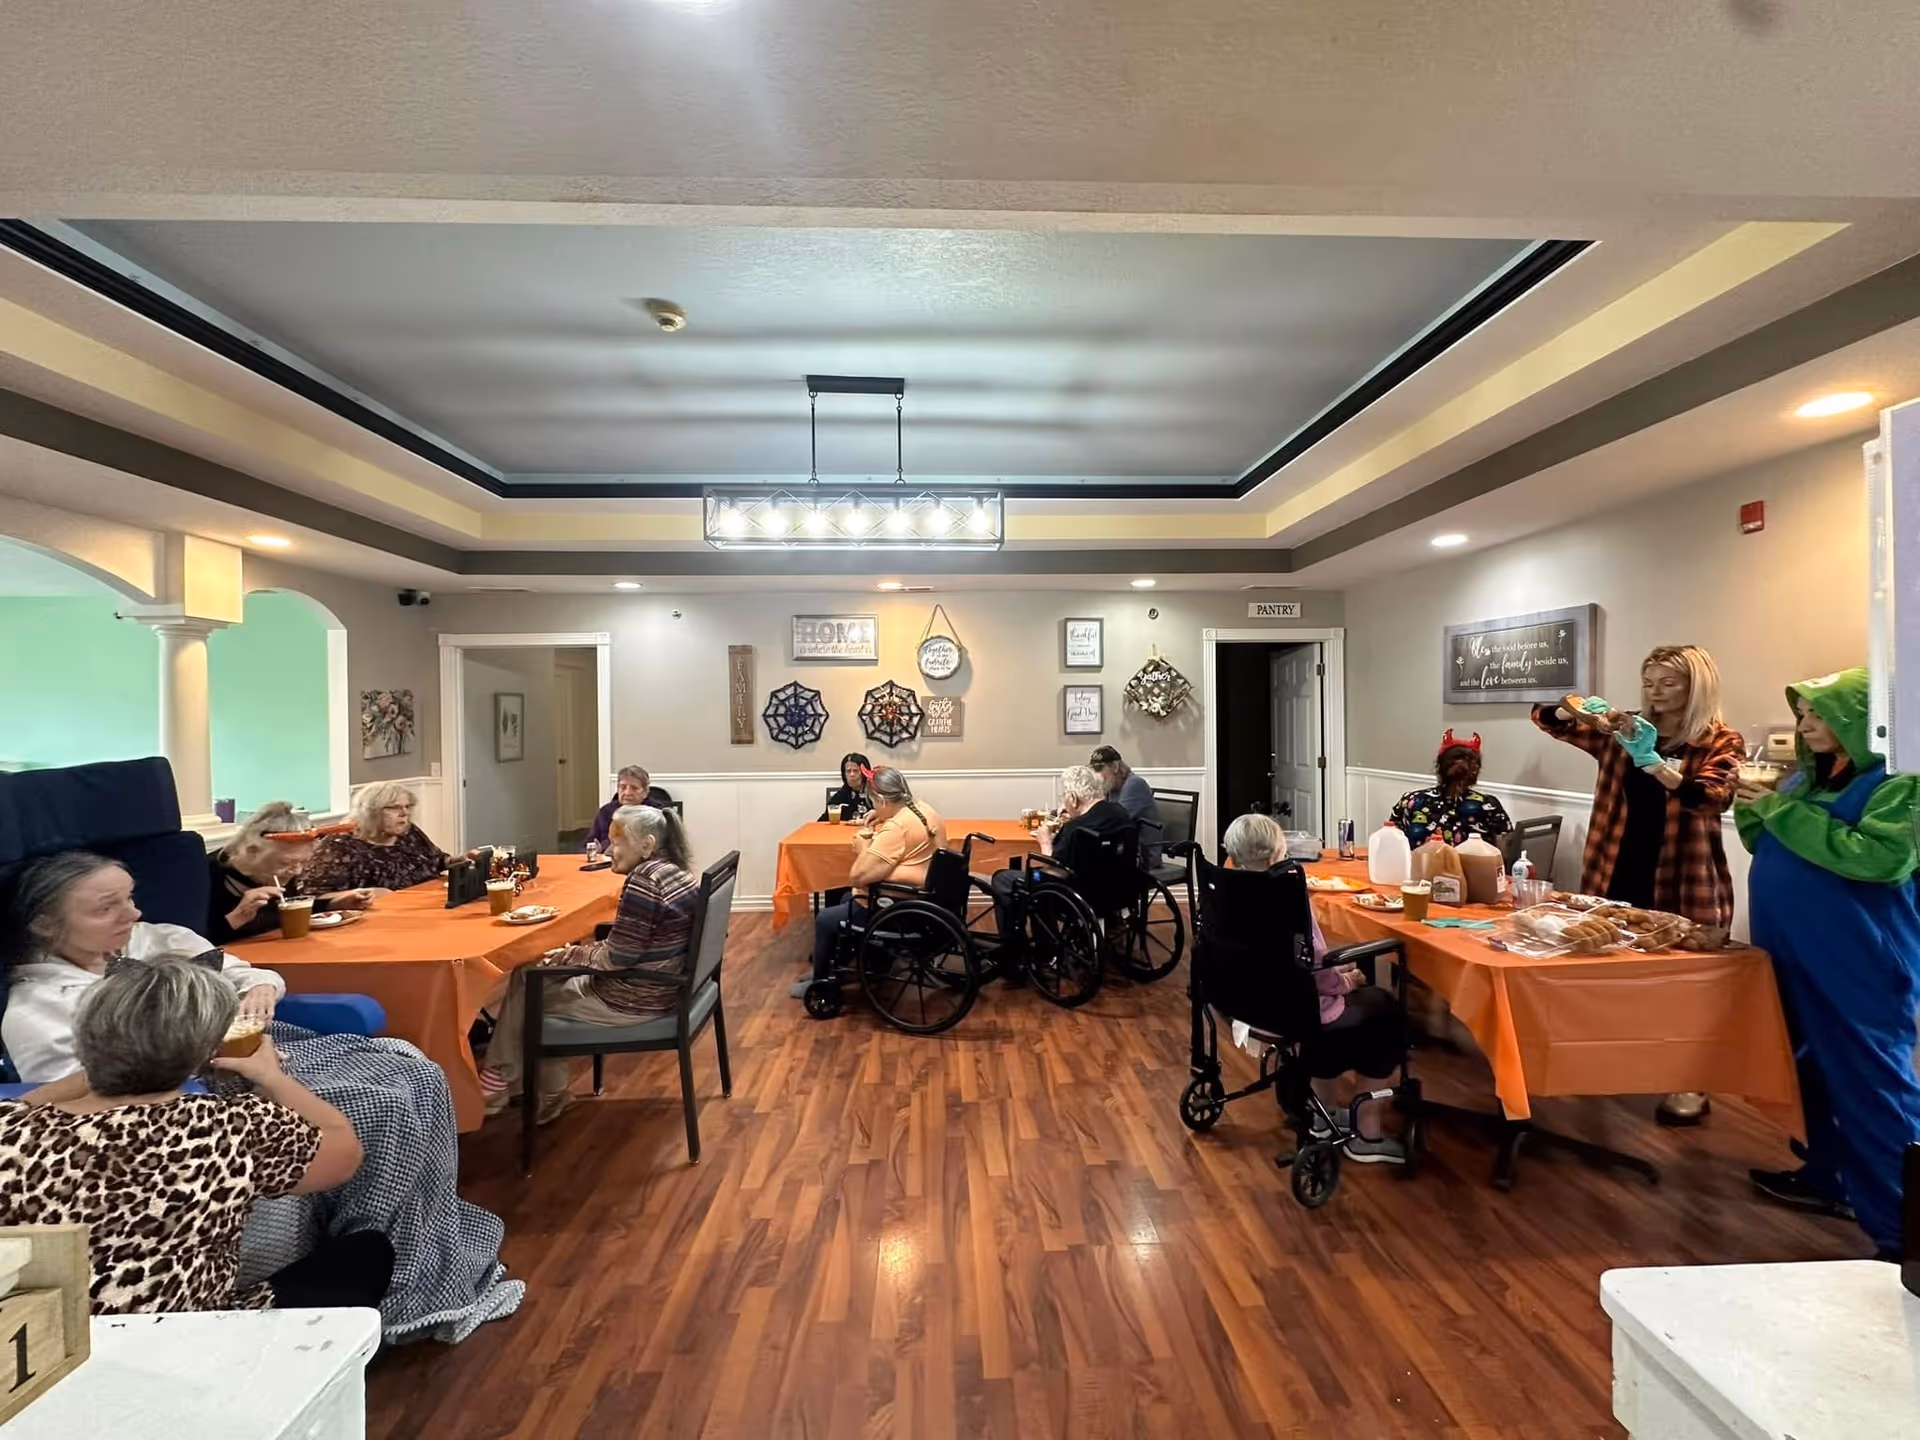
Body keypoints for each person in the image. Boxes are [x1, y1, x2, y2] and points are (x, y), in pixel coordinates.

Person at [1, 851, 524, 1344]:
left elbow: (241, 969)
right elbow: (95, 1086)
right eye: (106, 908)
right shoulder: (40, 1006)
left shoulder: (150, 940)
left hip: (241, 1050)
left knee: (414, 1068)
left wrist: (259, 989)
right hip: (192, 1081)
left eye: (130, 898)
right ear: (44, 925)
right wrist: (219, 1064)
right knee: (383, 1104)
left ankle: (421, 1238)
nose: (132, 914)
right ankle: (400, 1272)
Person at [0, 956, 392, 1314]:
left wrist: (110, 1063)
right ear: (206, 1051)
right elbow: (344, 1153)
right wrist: (271, 1077)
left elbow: (22, 1106)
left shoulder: (11, 1128)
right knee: (366, 1253)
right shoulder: (231, 1126)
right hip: (188, 1334)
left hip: (44, 1340)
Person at [1736, 667, 1920, 1258]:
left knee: (1873, 1087)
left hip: (1858, 961)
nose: (1806, 725)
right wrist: (1756, 808)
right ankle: (1828, 1178)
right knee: (1808, 1073)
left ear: (1863, 719)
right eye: (1803, 715)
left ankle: (1906, 1232)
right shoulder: (1810, 778)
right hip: (1793, 954)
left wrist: (1781, 812)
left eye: (1820, 714)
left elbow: (1881, 860)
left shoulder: (1900, 783)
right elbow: (1767, 841)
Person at [1533, 644, 1743, 1127]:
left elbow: (1710, 797)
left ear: (1696, 687)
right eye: (1649, 682)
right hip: (1617, 862)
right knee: (1612, 967)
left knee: (1687, 983)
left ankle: (1689, 1081)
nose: (1656, 692)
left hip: (1684, 870)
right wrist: (1577, 710)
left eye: (1668, 683)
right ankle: (1614, 1057)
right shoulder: (1623, 727)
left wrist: (1654, 763)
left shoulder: (1719, 740)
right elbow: (1546, 719)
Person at [481, 805, 700, 1123]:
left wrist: (567, 955)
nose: (609, 850)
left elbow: (617, 959)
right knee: (529, 975)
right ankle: (518, 1085)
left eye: (618, 841)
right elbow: (627, 946)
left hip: (634, 998)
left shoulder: (644, 882)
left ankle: (504, 1084)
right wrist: (571, 954)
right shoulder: (674, 872)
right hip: (660, 984)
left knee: (528, 990)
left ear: (647, 844)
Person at [1223, 813, 1406, 1161]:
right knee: (1384, 1012)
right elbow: (1318, 972)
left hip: (1248, 1004)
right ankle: (1367, 1132)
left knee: (1334, 1011)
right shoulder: (1287, 895)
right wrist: (1346, 980)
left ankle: (1325, 1114)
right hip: (1295, 1010)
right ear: (1276, 854)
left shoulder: (1226, 891)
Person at [796, 767, 947, 1000]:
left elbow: (858, 876)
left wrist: (863, 847)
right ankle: (845, 967)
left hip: (900, 909)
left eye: (874, 802)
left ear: (883, 801)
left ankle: (820, 981)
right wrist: (886, 815)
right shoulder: (924, 810)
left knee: (825, 918)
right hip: (926, 898)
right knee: (847, 899)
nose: (873, 807)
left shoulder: (897, 828)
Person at [990, 764, 1136, 943]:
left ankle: (1018, 945)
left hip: (1076, 894)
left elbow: (1053, 871)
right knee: (1035, 878)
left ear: (1073, 798)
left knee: (1005, 878)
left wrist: (1045, 842)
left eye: (1064, 797)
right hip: (1117, 891)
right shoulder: (1119, 812)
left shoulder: (1076, 828)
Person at [206, 800, 382, 947]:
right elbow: (194, 944)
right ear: (252, 852)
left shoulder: (279, 872)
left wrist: (333, 903)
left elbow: (283, 911)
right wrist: (237, 917)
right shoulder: (206, 875)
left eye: (303, 862)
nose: (297, 871)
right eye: (286, 863)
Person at [302, 782, 460, 894]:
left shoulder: (409, 832)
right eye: (395, 807)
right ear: (371, 812)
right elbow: (313, 896)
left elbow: (437, 860)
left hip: (426, 903)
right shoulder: (340, 844)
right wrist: (364, 894)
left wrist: (457, 861)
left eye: (407, 807)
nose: (404, 813)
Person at [1387, 730, 1513, 849]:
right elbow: (1507, 852)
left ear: (1439, 767)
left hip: (1417, 865)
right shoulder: (1489, 806)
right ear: (1475, 771)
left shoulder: (1411, 801)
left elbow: (1390, 844)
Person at [1089, 745, 1164, 862]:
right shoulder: (1110, 787)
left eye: (1100, 769)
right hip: (1124, 848)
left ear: (1115, 767)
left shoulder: (1134, 784)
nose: (1096, 775)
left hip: (1143, 855)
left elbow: (1116, 821)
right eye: (1094, 770)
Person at [586, 766, 676, 854]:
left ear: (645, 792)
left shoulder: (657, 812)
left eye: (634, 788)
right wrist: (596, 849)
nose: (627, 793)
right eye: (623, 787)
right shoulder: (606, 811)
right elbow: (588, 844)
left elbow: (666, 846)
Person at [821, 752, 876, 822]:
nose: (852, 774)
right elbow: (822, 821)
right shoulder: (840, 796)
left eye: (855, 771)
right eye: (848, 771)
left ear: (864, 773)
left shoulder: (875, 794)